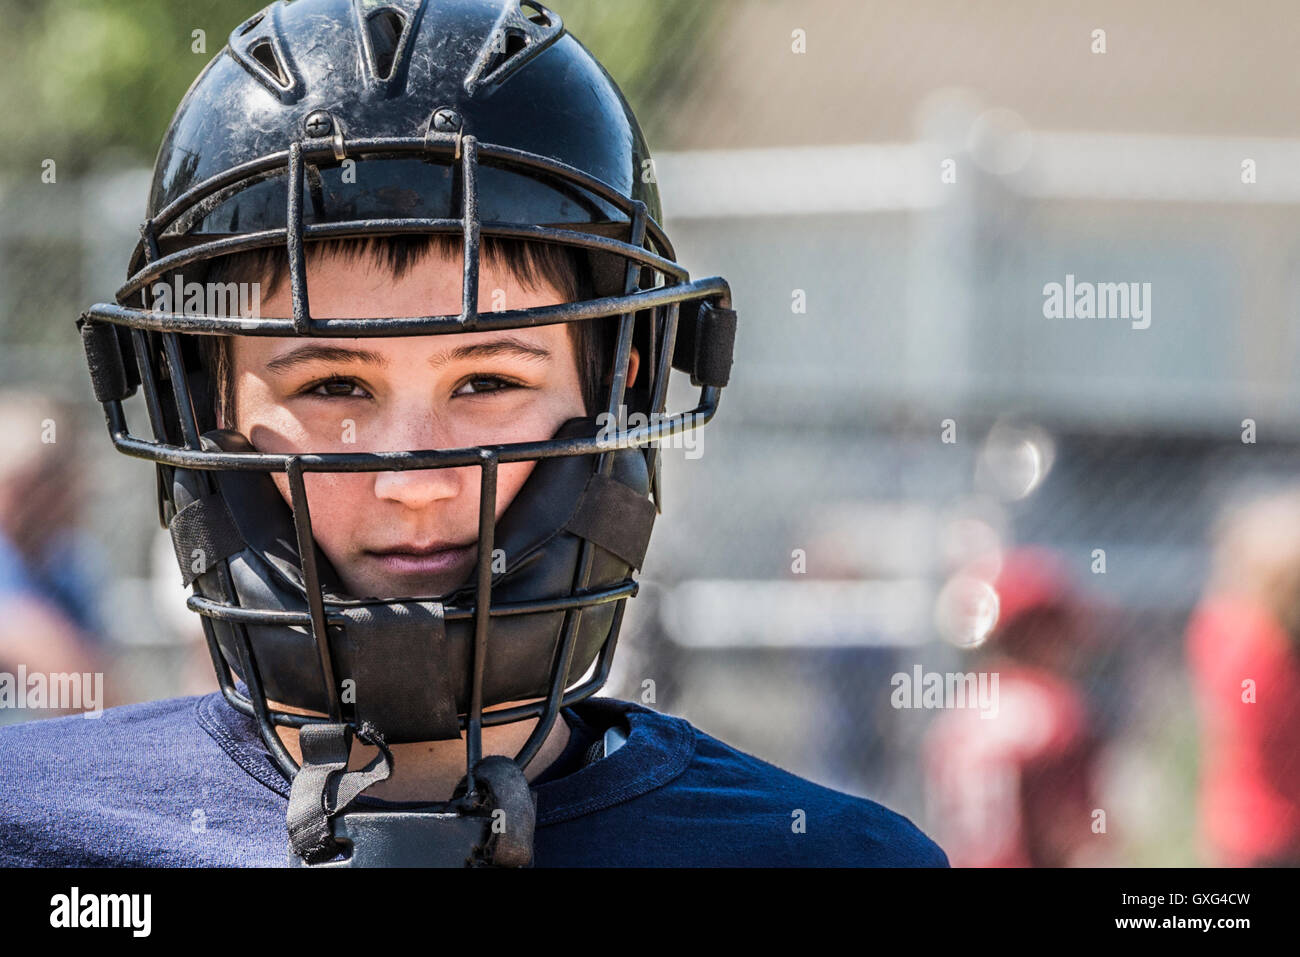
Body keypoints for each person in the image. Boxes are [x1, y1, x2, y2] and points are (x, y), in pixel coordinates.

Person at [0, 0, 947, 867]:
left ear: (616, 384)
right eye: (333, 383)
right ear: (206, 408)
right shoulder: (35, 821)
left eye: (488, 380)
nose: (413, 479)